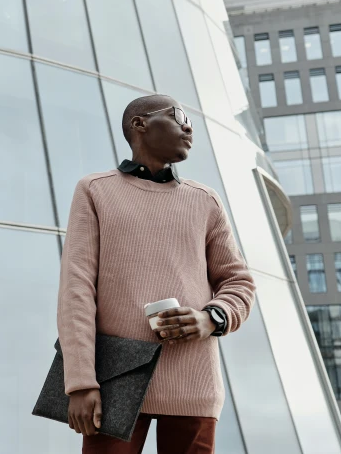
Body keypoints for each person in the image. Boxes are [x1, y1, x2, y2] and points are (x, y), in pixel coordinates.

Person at [57, 94, 256, 454]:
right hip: (114, 379)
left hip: (194, 380)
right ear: (139, 124)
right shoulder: (95, 190)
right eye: (177, 115)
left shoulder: (205, 200)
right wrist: (80, 382)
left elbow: (238, 282)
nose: (188, 126)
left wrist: (210, 319)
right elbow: (77, 292)